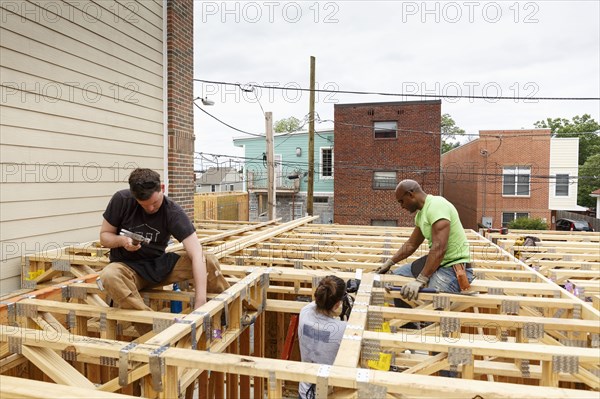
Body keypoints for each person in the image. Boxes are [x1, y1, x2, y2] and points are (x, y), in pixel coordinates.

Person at [99, 168, 229, 312]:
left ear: (162, 188)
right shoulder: (121, 200)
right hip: (127, 268)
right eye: (144, 205)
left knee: (208, 261)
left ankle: (224, 310)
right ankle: (153, 327)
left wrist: (200, 300)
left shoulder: (173, 212)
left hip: (159, 266)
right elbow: (105, 236)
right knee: (109, 275)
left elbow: (196, 253)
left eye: (154, 202)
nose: (150, 208)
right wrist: (122, 241)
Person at [375, 179, 473, 300]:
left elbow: (439, 248)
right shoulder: (421, 215)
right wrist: (390, 262)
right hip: (438, 263)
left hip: (452, 268)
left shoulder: (437, 205)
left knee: (430, 302)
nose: (401, 206)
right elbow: (411, 244)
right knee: (395, 278)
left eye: (402, 201)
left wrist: (421, 279)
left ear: (410, 195)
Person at [297, 275, 347, 399]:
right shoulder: (342, 329)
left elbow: (318, 302)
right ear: (337, 305)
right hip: (329, 394)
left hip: (305, 391)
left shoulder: (304, 313)